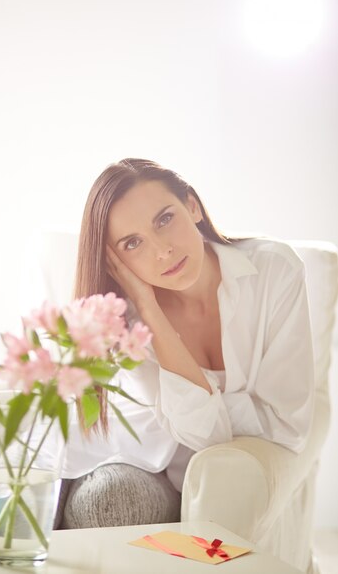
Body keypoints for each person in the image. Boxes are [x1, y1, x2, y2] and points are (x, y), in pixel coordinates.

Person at [57, 157, 315, 529]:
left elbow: (283, 425)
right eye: (133, 244)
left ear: (192, 205)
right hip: (103, 448)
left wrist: (209, 404)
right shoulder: (126, 322)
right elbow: (211, 426)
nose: (162, 251)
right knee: (9, 498)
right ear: (116, 261)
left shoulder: (274, 272)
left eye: (164, 219)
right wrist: (148, 309)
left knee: (108, 505)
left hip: (172, 474)